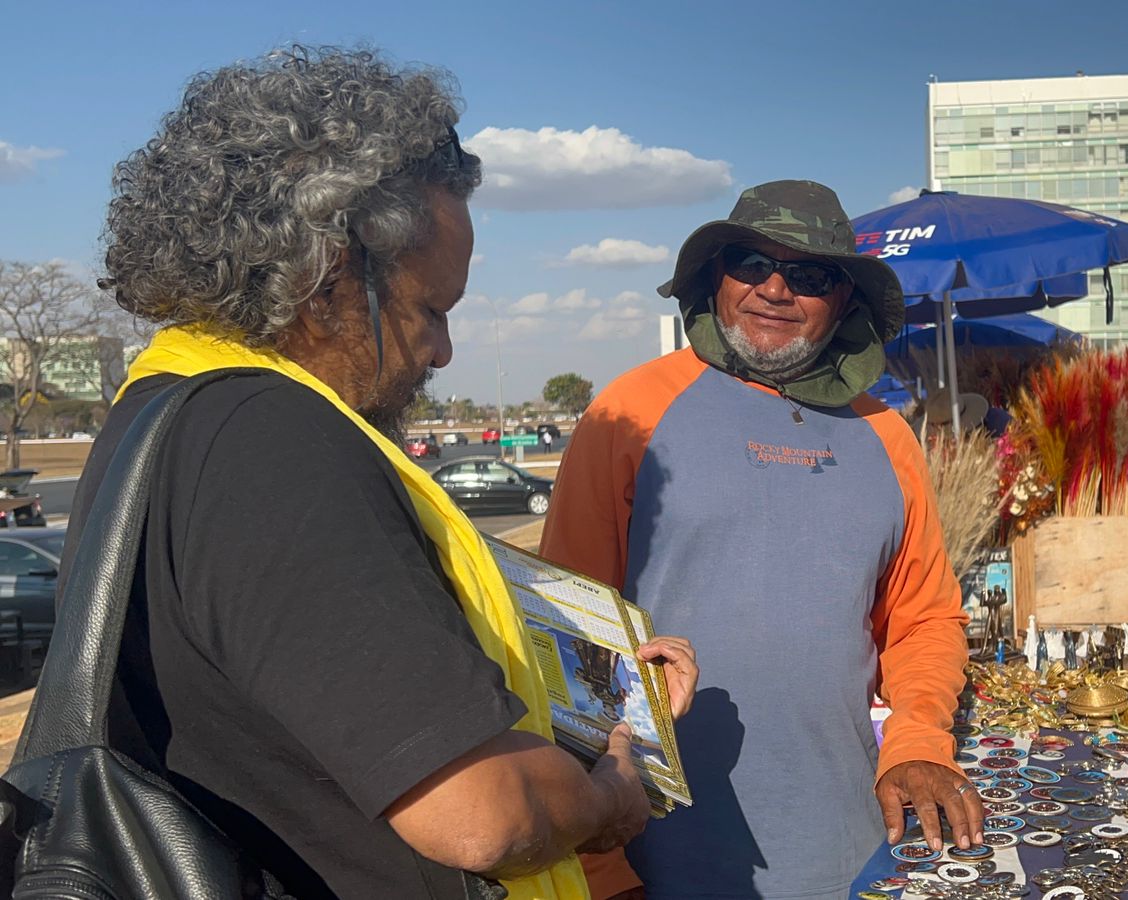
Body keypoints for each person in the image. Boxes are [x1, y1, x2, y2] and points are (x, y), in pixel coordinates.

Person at [73, 46, 696, 900]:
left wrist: (613, 698)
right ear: (331, 278)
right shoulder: (269, 441)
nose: (443, 350)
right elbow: (481, 814)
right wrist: (609, 795)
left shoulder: (162, 407)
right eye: (431, 310)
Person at [542, 180, 978, 899]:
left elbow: (924, 619)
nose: (774, 288)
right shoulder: (630, 413)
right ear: (715, 276)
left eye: (809, 276)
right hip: (655, 855)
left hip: (851, 846)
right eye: (750, 262)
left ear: (844, 300)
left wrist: (917, 743)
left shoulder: (887, 437)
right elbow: (565, 636)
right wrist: (600, 868)